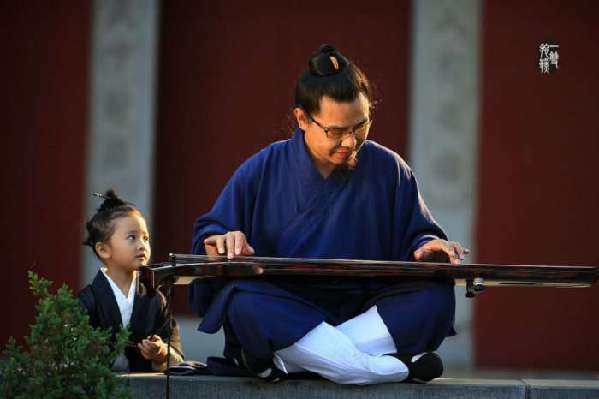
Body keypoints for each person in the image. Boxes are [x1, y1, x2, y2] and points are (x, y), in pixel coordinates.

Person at [190, 45, 467, 384]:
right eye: (336, 131)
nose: (351, 142)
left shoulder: (389, 168)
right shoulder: (265, 167)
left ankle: (293, 361)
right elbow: (213, 234)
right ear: (302, 119)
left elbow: (417, 234)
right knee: (243, 302)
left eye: (360, 126)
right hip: (286, 308)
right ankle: (394, 367)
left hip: (368, 312)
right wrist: (222, 241)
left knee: (435, 298)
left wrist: (428, 247)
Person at [79, 189, 184, 372]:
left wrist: (160, 352)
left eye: (145, 238)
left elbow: (175, 351)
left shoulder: (156, 300)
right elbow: (71, 350)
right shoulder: (89, 299)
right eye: (132, 237)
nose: (142, 245)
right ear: (104, 249)